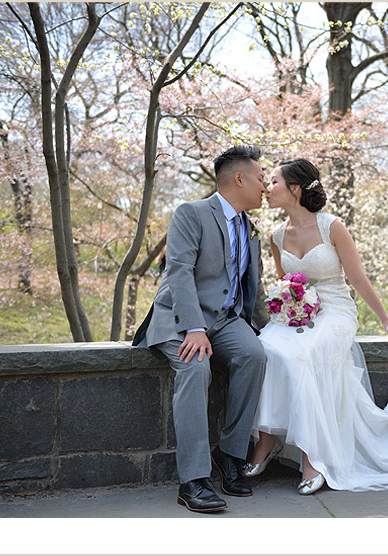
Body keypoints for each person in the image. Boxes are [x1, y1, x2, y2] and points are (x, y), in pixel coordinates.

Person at [244, 158, 388, 495]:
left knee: (305, 355)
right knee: (265, 348)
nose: (267, 188)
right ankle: (267, 441)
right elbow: (286, 282)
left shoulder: (331, 227)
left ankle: (314, 457)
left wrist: (385, 320)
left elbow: (357, 278)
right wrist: (290, 305)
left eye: (275, 181)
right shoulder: (277, 236)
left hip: (335, 312)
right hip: (299, 314)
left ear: (295, 188)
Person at [132, 145, 268, 513]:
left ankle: (229, 454)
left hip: (224, 321)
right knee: (196, 366)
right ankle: (192, 480)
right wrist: (193, 327)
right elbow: (178, 272)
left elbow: (253, 290)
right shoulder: (191, 213)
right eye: (260, 177)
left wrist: (274, 329)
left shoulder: (249, 227)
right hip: (179, 320)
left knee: (255, 355)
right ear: (239, 178)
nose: (266, 185)